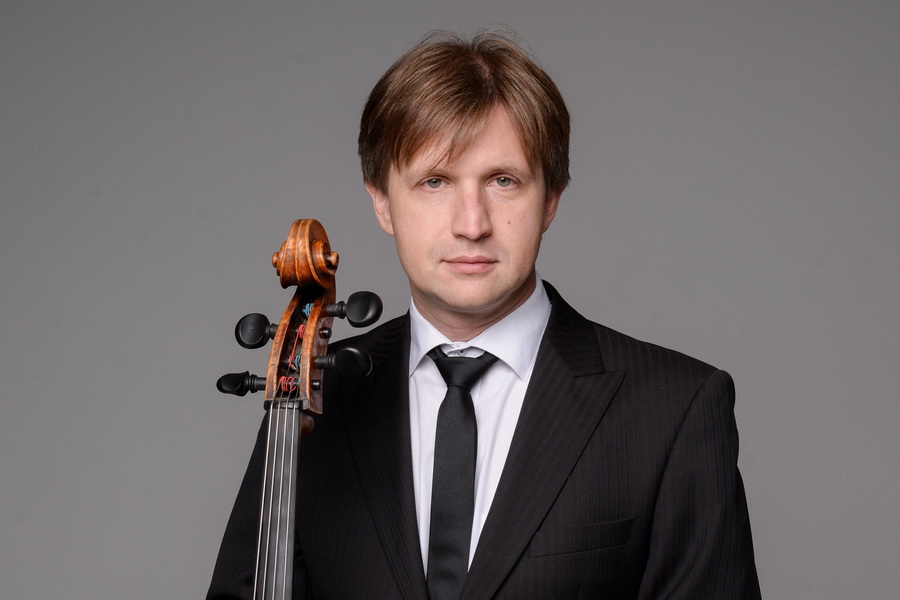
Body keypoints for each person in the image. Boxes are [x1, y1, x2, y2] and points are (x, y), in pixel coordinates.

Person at [208, 30, 761, 599]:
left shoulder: (675, 410)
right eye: (434, 182)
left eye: (503, 181)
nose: (471, 224)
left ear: (551, 199)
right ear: (382, 202)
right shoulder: (309, 399)